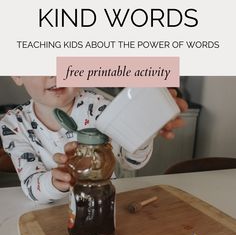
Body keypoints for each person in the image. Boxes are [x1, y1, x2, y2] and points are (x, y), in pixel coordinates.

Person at [0, 76, 188, 203]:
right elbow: (31, 184)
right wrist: (57, 179)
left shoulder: (103, 109)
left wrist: (143, 132)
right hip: (50, 213)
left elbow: (131, 161)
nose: (55, 72)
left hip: (103, 204)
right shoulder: (13, 125)